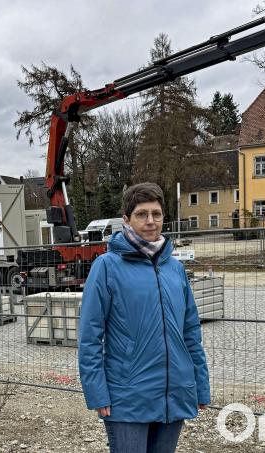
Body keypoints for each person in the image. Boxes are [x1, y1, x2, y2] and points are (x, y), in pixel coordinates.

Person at [78, 182, 210, 453]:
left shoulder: (175, 269)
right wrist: (97, 391)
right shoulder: (107, 267)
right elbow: (90, 335)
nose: (150, 221)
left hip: (174, 392)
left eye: (156, 214)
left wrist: (200, 384)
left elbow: (191, 332)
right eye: (141, 214)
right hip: (127, 395)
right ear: (126, 220)